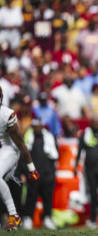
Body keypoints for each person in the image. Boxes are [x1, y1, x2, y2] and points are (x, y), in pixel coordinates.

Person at [0, 86, 39, 231]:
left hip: (8, 149)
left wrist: (31, 168)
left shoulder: (6, 114)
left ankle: (13, 215)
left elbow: (20, 143)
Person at [74, 116, 98, 228]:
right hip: (90, 169)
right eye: (94, 122)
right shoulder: (86, 134)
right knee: (92, 194)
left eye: (97, 122)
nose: (96, 124)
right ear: (90, 123)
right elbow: (80, 149)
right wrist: (76, 165)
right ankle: (93, 220)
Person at [22, 119, 58, 230]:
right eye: (35, 126)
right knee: (31, 197)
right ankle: (28, 219)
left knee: (48, 198)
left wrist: (52, 174)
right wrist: (26, 172)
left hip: (47, 174)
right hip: (34, 174)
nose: (37, 128)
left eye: (39, 126)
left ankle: (47, 218)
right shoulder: (29, 138)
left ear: (42, 126)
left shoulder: (49, 137)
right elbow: (24, 158)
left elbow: (54, 157)